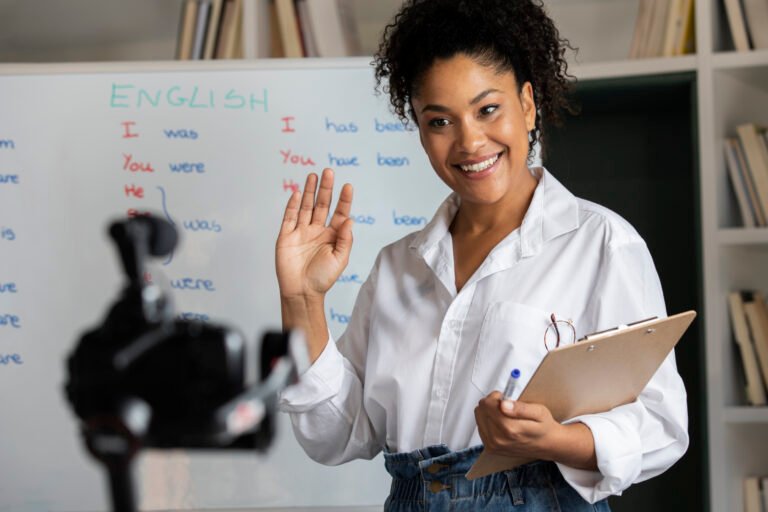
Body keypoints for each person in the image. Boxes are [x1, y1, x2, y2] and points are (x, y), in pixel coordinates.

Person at [276, 0, 689, 510]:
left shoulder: (601, 243)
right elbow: (336, 437)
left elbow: (662, 424)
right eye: (439, 121)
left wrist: (554, 441)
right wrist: (302, 300)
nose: (469, 141)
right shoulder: (396, 267)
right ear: (421, 131)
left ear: (528, 104)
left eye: (487, 109)